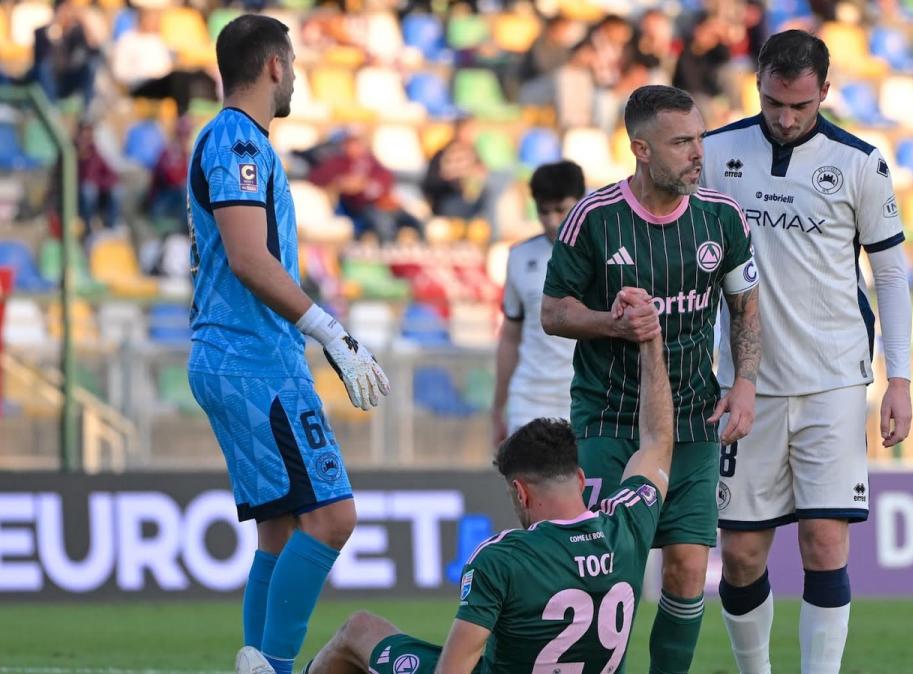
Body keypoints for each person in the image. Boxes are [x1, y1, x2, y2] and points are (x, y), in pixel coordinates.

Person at [699, 30, 913, 674]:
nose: (785, 119)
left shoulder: (860, 163)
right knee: (740, 555)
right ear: (757, 86)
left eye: (799, 105)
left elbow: (891, 276)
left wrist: (897, 379)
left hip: (833, 381)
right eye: (772, 103)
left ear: (824, 90)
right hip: (745, 386)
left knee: (825, 541)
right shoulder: (715, 154)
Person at [184, 15, 391, 674]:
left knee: (280, 527)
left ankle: (263, 663)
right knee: (333, 518)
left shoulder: (230, 142)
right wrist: (330, 330)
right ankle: (271, 665)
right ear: (274, 65)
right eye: (294, 63)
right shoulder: (238, 144)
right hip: (253, 358)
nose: (296, 75)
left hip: (237, 353)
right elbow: (248, 257)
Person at [302, 318, 676, 674]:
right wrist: (650, 340)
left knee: (359, 629)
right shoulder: (628, 524)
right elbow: (658, 441)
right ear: (579, 478)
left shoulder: (501, 558)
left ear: (520, 491)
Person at [541, 84, 761, 674]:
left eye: (699, 139)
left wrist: (744, 385)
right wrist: (614, 322)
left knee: (689, 569)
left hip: (694, 420)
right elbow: (553, 312)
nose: (697, 153)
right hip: (610, 421)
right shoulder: (594, 218)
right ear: (641, 149)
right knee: (612, 571)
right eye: (682, 142)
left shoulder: (723, 217)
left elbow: (745, 308)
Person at [491, 160, 586, 446]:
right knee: (525, 488)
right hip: (529, 398)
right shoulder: (520, 256)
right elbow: (510, 336)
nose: (553, 221)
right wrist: (498, 405)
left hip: (585, 398)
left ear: (582, 202)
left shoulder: (606, 254)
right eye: (544, 212)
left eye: (561, 210)